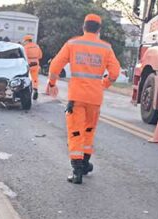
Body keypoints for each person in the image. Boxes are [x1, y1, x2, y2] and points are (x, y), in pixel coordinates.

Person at [47, 14, 120, 185]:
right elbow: (115, 73)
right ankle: (85, 164)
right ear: (99, 29)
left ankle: (77, 171)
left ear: (84, 27)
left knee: (75, 132)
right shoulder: (106, 48)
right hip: (95, 97)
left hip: (76, 97)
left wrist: (51, 83)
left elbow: (55, 65)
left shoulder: (73, 44)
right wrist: (104, 84)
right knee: (88, 131)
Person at [22, 34, 42, 100]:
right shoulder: (37, 46)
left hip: (28, 64)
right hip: (36, 63)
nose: (24, 42)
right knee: (35, 78)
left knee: (27, 78)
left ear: (27, 41)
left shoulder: (25, 47)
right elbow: (40, 56)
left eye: (25, 41)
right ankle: (35, 89)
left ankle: (28, 92)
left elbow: (24, 56)